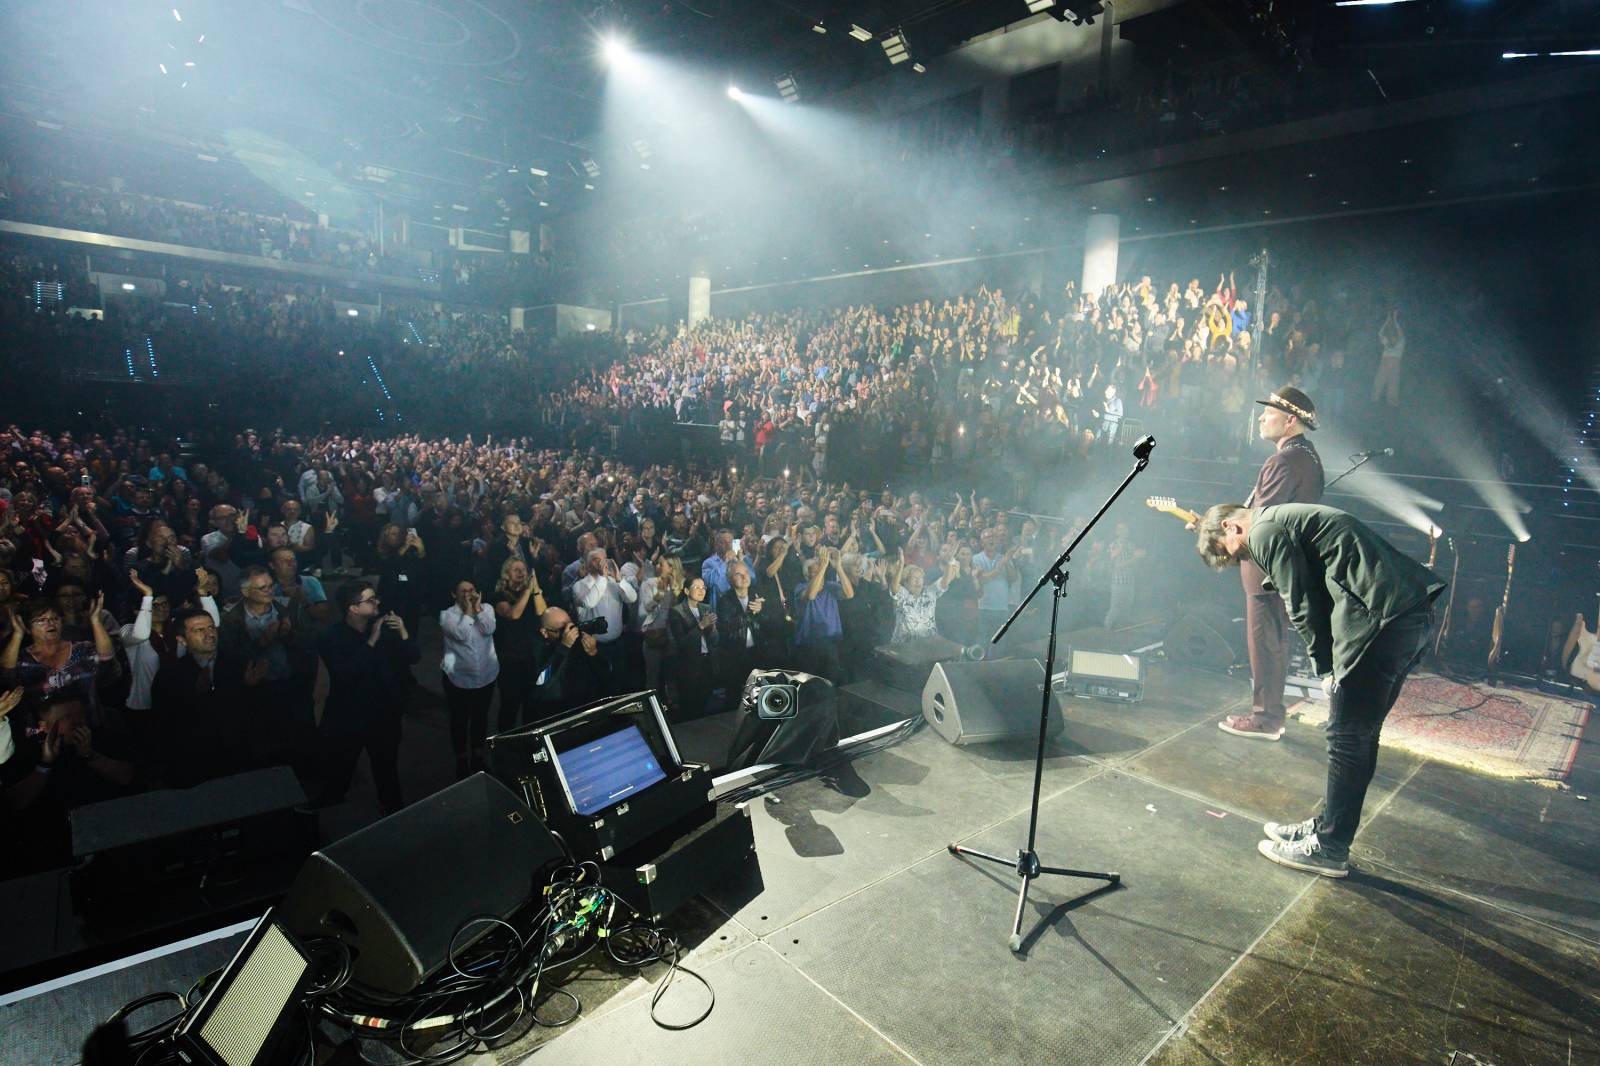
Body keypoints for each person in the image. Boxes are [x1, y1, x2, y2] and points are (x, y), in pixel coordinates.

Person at [1195, 502, 1445, 877]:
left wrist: (1325, 667)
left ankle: (1329, 847)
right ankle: (1328, 827)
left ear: (1230, 527)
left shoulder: (1262, 530)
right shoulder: (1285, 518)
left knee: (1347, 738)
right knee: (1360, 735)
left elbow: (1300, 602)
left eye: (1231, 552)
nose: (1239, 559)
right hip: (1409, 613)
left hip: (1380, 620)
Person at [1216, 386, 1325, 740]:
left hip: (1266, 569)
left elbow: (1261, 522)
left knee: (1264, 643)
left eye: (1270, 412)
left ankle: (1265, 719)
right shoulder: (1307, 457)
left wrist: (1227, 536)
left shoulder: (1284, 460)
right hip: (1283, 568)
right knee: (1274, 641)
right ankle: (1269, 715)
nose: (1262, 417)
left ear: (1290, 419)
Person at [316, 582, 418, 814]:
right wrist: (371, 640)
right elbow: (347, 673)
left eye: (376, 598)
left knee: (386, 765)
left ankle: (393, 807)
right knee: (343, 762)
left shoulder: (386, 628)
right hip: (350, 715)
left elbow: (413, 656)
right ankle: (332, 798)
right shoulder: (332, 637)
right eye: (370, 600)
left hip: (385, 714)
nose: (377, 603)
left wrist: (403, 632)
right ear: (353, 608)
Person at [440, 579, 498, 777]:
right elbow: (461, 634)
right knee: (459, 720)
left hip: (486, 675)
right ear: (453, 595)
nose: (468, 594)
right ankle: (462, 759)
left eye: (471, 590)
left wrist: (478, 609)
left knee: (480, 718)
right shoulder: (447, 615)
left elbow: (489, 629)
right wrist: (468, 612)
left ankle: (478, 756)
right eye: (463, 591)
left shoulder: (487, 608)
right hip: (459, 678)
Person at [492, 557, 547, 732]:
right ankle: (505, 745)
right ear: (506, 574)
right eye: (516, 570)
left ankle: (529, 745)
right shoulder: (499, 595)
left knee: (531, 705)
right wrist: (527, 592)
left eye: (523, 570)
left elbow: (542, 613)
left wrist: (536, 589)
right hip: (509, 658)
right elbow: (514, 614)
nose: (522, 573)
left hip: (531, 657)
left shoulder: (530, 592)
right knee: (510, 705)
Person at [527, 607, 607, 723]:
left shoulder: (580, 641)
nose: (569, 631)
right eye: (562, 628)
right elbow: (541, 683)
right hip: (555, 716)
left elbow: (605, 674)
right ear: (544, 632)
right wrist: (564, 647)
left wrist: (594, 653)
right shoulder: (535, 650)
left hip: (586, 710)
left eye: (571, 624)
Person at [715, 561, 770, 710]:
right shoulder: (725, 600)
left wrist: (762, 611)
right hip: (734, 653)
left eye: (745, 572)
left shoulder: (758, 593)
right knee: (733, 695)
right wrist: (750, 613)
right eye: (738, 574)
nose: (744, 577)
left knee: (759, 693)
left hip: (757, 651)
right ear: (730, 579)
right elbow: (726, 627)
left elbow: (770, 622)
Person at [668, 577, 719, 720]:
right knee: (689, 704)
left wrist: (713, 629)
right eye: (696, 587)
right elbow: (682, 644)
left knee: (704, 699)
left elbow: (715, 641)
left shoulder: (706, 608)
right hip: (688, 664)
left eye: (703, 588)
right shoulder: (676, 611)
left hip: (707, 661)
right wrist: (700, 626)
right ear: (686, 590)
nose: (701, 591)